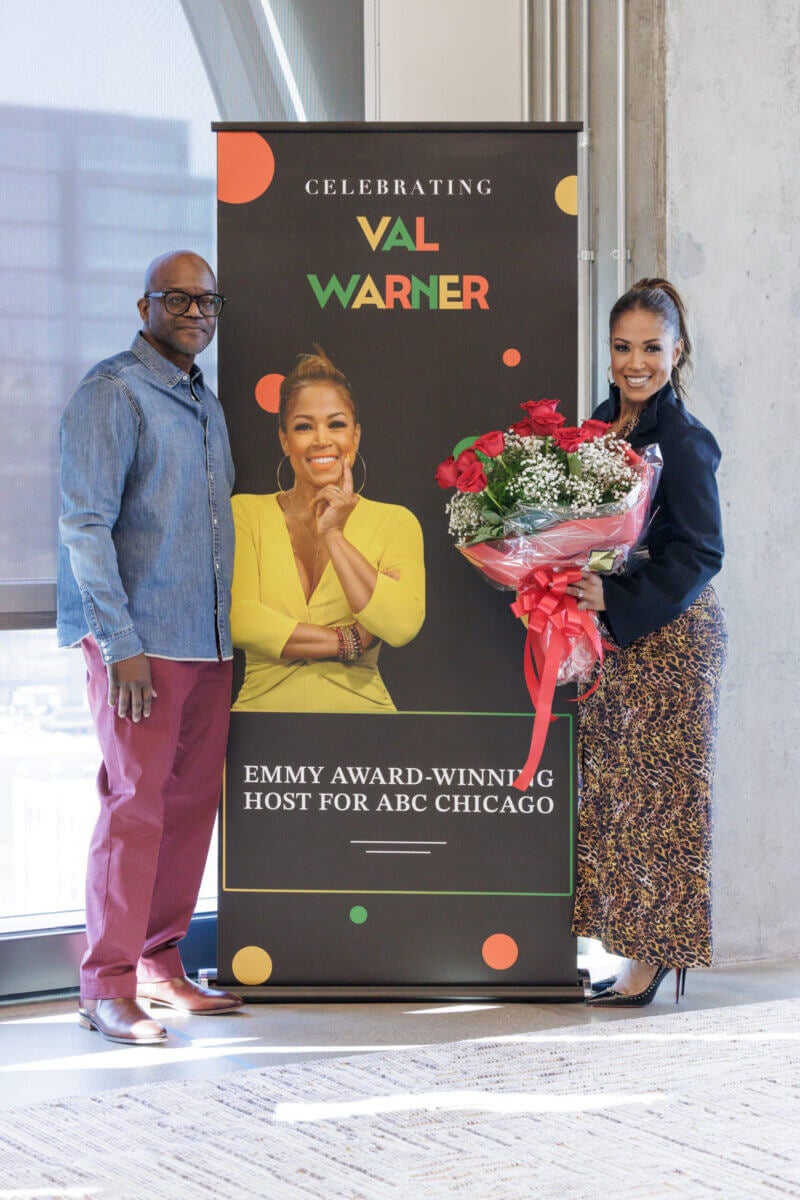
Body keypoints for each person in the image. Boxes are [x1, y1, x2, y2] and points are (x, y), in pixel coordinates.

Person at [57, 250, 243, 1045]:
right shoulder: (113, 392)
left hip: (206, 644)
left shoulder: (205, 402)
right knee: (134, 807)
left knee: (191, 804)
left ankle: (162, 966)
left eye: (207, 301)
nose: (196, 312)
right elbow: (84, 524)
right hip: (140, 646)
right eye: (178, 299)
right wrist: (120, 642)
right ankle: (105, 984)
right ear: (144, 307)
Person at [567, 278, 727, 1007]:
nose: (636, 363)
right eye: (623, 347)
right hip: (617, 636)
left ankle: (652, 961)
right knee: (619, 800)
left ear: (677, 351)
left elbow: (699, 554)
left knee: (662, 805)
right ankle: (632, 949)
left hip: (670, 638)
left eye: (652, 349)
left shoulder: (686, 443)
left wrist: (617, 597)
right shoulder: (600, 429)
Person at [231, 348, 425, 712]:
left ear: (356, 435)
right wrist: (349, 640)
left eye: (336, 424)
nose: (322, 439)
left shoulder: (396, 522)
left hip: (364, 728)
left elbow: (400, 626)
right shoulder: (245, 512)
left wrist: (335, 536)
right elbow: (238, 619)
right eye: (304, 426)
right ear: (285, 440)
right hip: (260, 730)